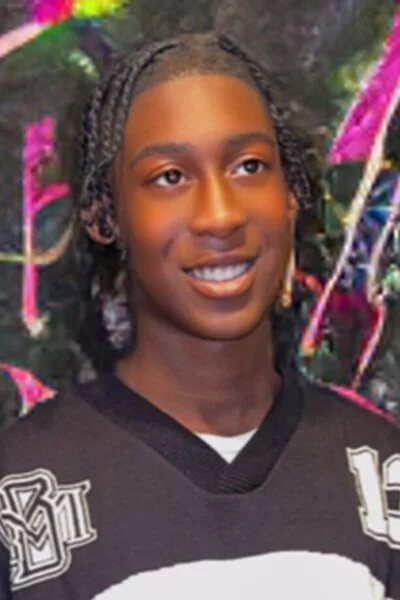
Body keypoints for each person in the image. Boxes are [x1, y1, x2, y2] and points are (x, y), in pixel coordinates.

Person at [0, 32, 399, 599]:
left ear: (291, 195)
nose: (219, 215)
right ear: (105, 216)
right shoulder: (20, 489)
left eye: (249, 166)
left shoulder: (383, 471)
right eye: (170, 177)